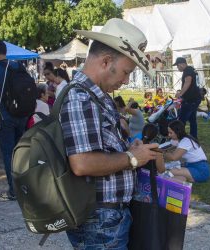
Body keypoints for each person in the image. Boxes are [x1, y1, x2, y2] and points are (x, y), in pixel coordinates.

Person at [61, 18, 159, 249]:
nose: (125, 81)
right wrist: (133, 158)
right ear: (106, 61)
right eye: (125, 72)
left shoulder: (96, 96)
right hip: (99, 220)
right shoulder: (81, 98)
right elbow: (82, 163)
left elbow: (101, 148)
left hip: (106, 217)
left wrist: (129, 150)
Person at [0, 40, 28, 200]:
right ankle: (25, 187)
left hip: (5, 116)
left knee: (8, 153)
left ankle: (13, 191)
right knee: (21, 152)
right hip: (22, 114)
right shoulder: (17, 65)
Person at [174, 57, 201, 139]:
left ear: (182, 64)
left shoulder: (188, 70)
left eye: (178, 66)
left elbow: (188, 82)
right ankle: (194, 136)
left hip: (190, 100)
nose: (177, 68)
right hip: (194, 98)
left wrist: (180, 94)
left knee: (181, 120)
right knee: (192, 119)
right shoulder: (191, 69)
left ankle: (180, 137)